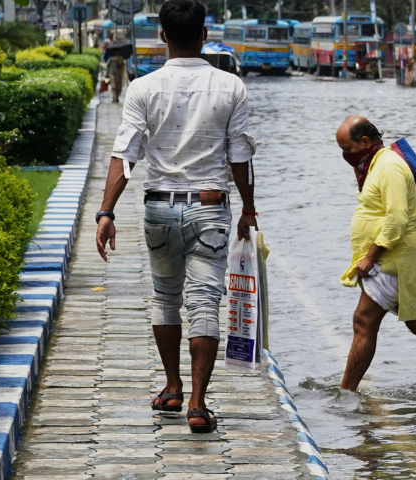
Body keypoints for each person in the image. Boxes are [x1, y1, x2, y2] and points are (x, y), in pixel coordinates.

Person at [91, 0, 254, 434]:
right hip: (211, 207)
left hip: (159, 207)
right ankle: (198, 405)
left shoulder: (143, 88)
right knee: (205, 303)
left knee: (166, 298)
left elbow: (124, 154)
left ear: (161, 36)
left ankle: (172, 386)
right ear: (204, 35)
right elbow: (240, 156)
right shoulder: (231, 86)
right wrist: (250, 209)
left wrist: (106, 211)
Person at [334, 116, 416, 391]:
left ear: (365, 142)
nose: (344, 156)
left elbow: (397, 219)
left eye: (347, 149)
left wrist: (370, 256)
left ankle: (346, 392)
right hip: (394, 259)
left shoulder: (390, 166)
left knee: (363, 322)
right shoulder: (375, 165)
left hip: (391, 260)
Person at [103, 31, 133, 103]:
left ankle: (117, 97)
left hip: (119, 74)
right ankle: (114, 98)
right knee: (113, 86)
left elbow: (122, 65)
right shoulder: (110, 59)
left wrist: (120, 64)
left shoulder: (120, 58)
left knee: (118, 86)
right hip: (112, 73)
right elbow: (107, 65)